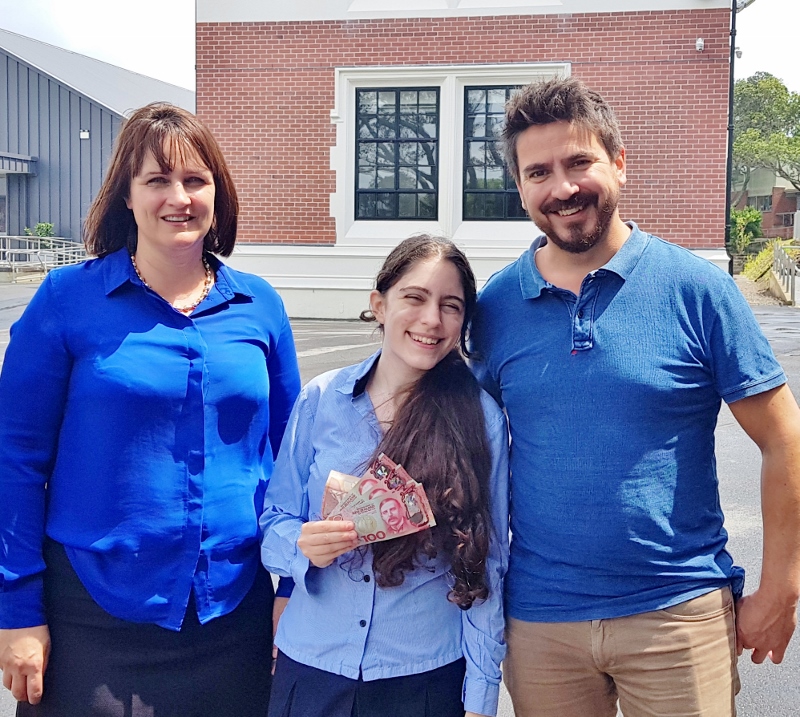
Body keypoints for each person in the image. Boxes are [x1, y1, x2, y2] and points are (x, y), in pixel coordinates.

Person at [470, 77, 800, 716]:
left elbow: (782, 436)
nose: (562, 188)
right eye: (538, 172)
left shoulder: (696, 290)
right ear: (521, 189)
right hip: (541, 623)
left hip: (678, 616)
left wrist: (781, 588)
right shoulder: (496, 308)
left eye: (579, 162)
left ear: (619, 163)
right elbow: (465, 448)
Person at [0, 103, 301, 716]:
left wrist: (293, 586)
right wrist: (16, 613)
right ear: (127, 198)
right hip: (94, 617)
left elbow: (296, 458)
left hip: (233, 612)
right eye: (157, 181)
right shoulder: (67, 300)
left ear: (218, 194)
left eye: (195, 180)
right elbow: (16, 460)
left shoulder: (260, 306)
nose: (179, 197)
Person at [260, 235, 509, 717]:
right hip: (313, 666)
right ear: (378, 304)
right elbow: (274, 518)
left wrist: (480, 696)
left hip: (422, 677)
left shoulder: (481, 418)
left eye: (451, 306)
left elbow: (488, 563)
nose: (431, 319)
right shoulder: (322, 398)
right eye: (414, 298)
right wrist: (301, 545)